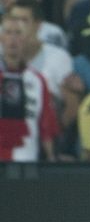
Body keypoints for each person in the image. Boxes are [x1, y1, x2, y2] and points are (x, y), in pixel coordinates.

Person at [0, 15, 59, 162]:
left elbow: (46, 125)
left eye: (18, 33)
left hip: (26, 156)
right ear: (1, 38)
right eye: (8, 32)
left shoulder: (38, 80)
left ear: (26, 39)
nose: (13, 39)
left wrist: (51, 157)